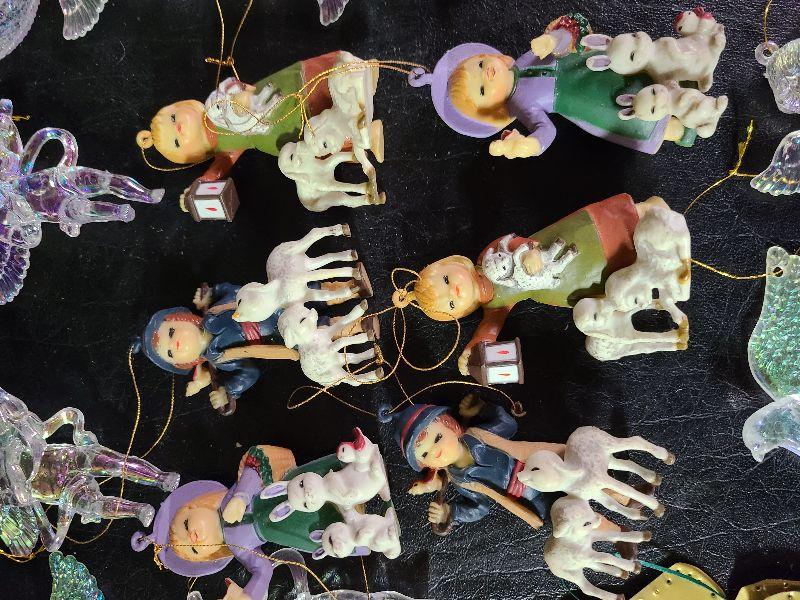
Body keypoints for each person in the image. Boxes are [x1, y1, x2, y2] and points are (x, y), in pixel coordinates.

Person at [392, 194, 684, 374]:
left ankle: (646, 211)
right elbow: (490, 329)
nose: (454, 290)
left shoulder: (487, 256)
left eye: (446, 279)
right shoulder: (495, 305)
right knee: (613, 280)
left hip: (558, 247)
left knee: (607, 229)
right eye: (451, 303)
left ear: (453, 262)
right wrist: (474, 349)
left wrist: (529, 252)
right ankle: (651, 263)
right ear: (459, 313)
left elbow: (512, 242)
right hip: (561, 286)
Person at [409, 14, 696, 159]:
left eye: (481, 65)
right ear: (492, 110)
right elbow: (546, 130)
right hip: (583, 99)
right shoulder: (521, 104)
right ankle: (680, 130)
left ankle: (685, 94)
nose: (489, 73)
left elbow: (567, 36)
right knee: (628, 109)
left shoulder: (525, 59)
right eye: (483, 90)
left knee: (636, 74)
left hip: (588, 65)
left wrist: (552, 40)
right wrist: (530, 145)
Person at [131, 445, 344, 600]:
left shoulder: (227, 499)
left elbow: (255, 466)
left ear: (195, 505)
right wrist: (247, 596)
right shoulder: (239, 549)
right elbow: (263, 571)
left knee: (338, 482)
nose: (193, 538)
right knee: (339, 535)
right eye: (194, 549)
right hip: (296, 528)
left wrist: (241, 496)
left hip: (293, 489)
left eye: (186, 525)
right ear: (209, 556)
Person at [379, 396, 565, 528]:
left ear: (451, 426)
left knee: (571, 471)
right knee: (556, 517)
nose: (435, 451)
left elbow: (509, 426)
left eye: (437, 438)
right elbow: (480, 507)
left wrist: (482, 409)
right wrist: (450, 512)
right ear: (428, 465)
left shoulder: (478, 435)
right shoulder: (461, 480)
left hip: (540, 462)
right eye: (426, 453)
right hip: (528, 493)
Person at [138, 282, 281, 410]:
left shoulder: (215, 311)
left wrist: (212, 293)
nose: (174, 344)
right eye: (170, 353)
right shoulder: (221, 359)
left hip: (273, 302)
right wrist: (228, 391)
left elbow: (233, 291)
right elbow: (250, 372)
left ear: (182, 318)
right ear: (182, 364)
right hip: (279, 338)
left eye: (171, 332)